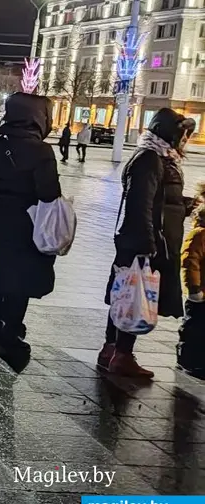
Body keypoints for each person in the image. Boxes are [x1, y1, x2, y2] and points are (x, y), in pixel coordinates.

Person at [99, 109, 196, 378]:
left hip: (149, 238)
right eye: (184, 134)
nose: (185, 140)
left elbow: (159, 201)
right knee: (135, 297)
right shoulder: (150, 159)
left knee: (126, 294)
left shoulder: (159, 157)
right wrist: (146, 244)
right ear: (170, 133)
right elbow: (140, 203)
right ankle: (122, 355)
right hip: (146, 242)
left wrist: (184, 205)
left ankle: (112, 351)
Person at [0, 94, 61, 372]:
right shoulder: (41, 151)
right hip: (28, 220)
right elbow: (49, 193)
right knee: (20, 277)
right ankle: (9, 332)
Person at [179, 194, 205, 379]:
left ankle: (198, 361)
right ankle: (188, 360)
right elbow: (190, 261)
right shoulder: (199, 234)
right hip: (200, 293)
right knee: (194, 328)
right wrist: (194, 288)